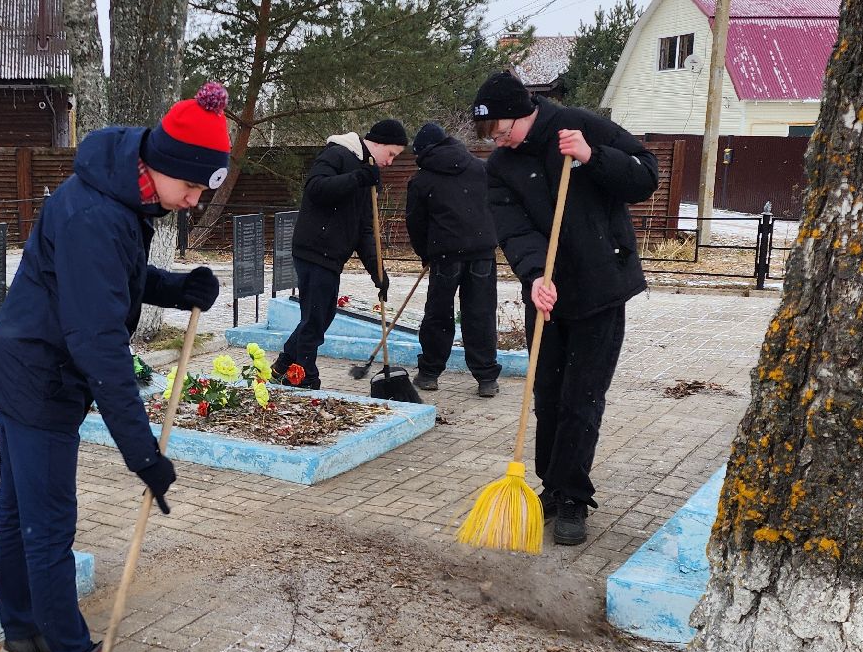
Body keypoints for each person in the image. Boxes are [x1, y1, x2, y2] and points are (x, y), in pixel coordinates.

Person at [0, 82, 231, 652]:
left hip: (28, 363)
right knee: (47, 523)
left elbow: (115, 275)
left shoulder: (121, 196)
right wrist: (142, 452)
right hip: (41, 377)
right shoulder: (99, 214)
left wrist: (177, 288)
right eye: (195, 187)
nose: (196, 201)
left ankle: (25, 635)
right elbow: (99, 344)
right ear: (165, 166)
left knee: (21, 511)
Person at [472, 70, 658, 546]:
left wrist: (593, 157)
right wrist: (535, 277)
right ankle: (551, 486)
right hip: (547, 298)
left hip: (601, 289)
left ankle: (573, 496)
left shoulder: (576, 126)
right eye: (491, 136)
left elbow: (645, 177)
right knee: (548, 397)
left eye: (502, 131)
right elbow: (513, 230)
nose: (500, 142)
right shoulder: (500, 168)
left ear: (522, 111)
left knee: (582, 398)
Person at [273, 119, 409, 388]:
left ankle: (284, 365)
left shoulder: (370, 173)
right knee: (314, 318)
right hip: (313, 249)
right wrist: (357, 178)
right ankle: (304, 378)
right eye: (391, 154)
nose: (390, 161)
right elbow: (316, 188)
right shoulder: (338, 153)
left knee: (321, 316)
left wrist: (378, 272)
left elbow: (365, 230)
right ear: (378, 142)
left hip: (332, 256)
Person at [404, 120, 501, 396]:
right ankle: (486, 379)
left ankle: (429, 373)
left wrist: (425, 253)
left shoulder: (422, 179)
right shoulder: (481, 168)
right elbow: (496, 205)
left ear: (423, 151)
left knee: (438, 314)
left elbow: (415, 222)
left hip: (445, 254)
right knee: (480, 314)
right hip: (483, 252)